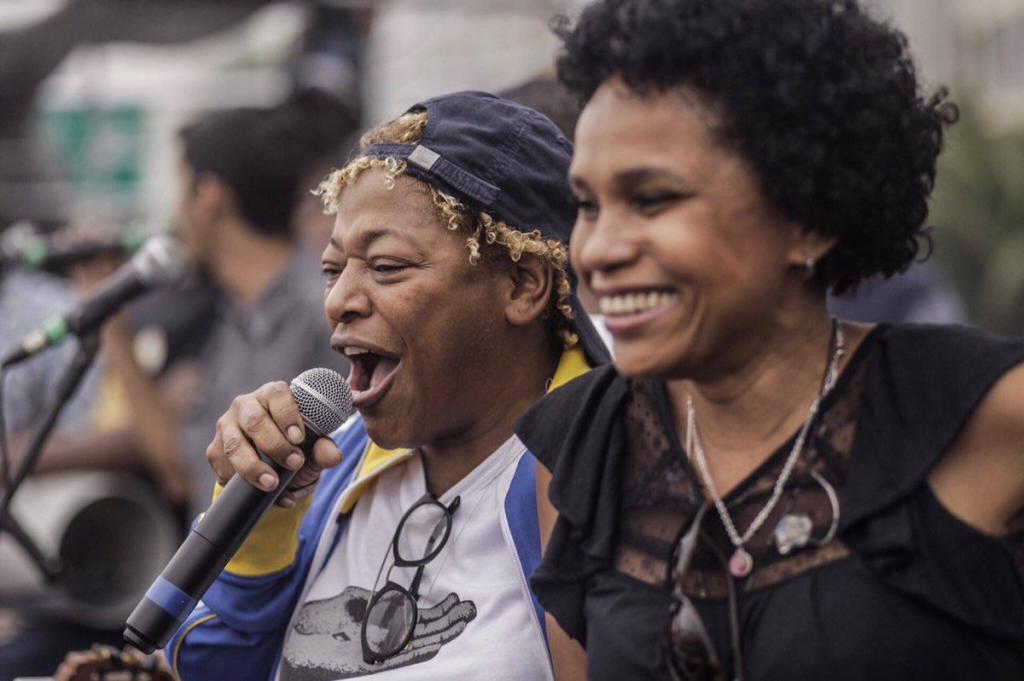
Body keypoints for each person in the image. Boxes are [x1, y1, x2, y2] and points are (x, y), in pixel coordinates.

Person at [513, 1, 1024, 680]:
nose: (599, 249)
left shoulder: (985, 416)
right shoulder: (583, 445)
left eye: (653, 198)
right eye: (587, 205)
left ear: (807, 217)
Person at [168, 91, 608, 681]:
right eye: (332, 269)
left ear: (522, 286)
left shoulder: (600, 476)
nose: (338, 302)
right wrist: (260, 531)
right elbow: (210, 667)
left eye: (386, 267)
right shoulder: (336, 463)